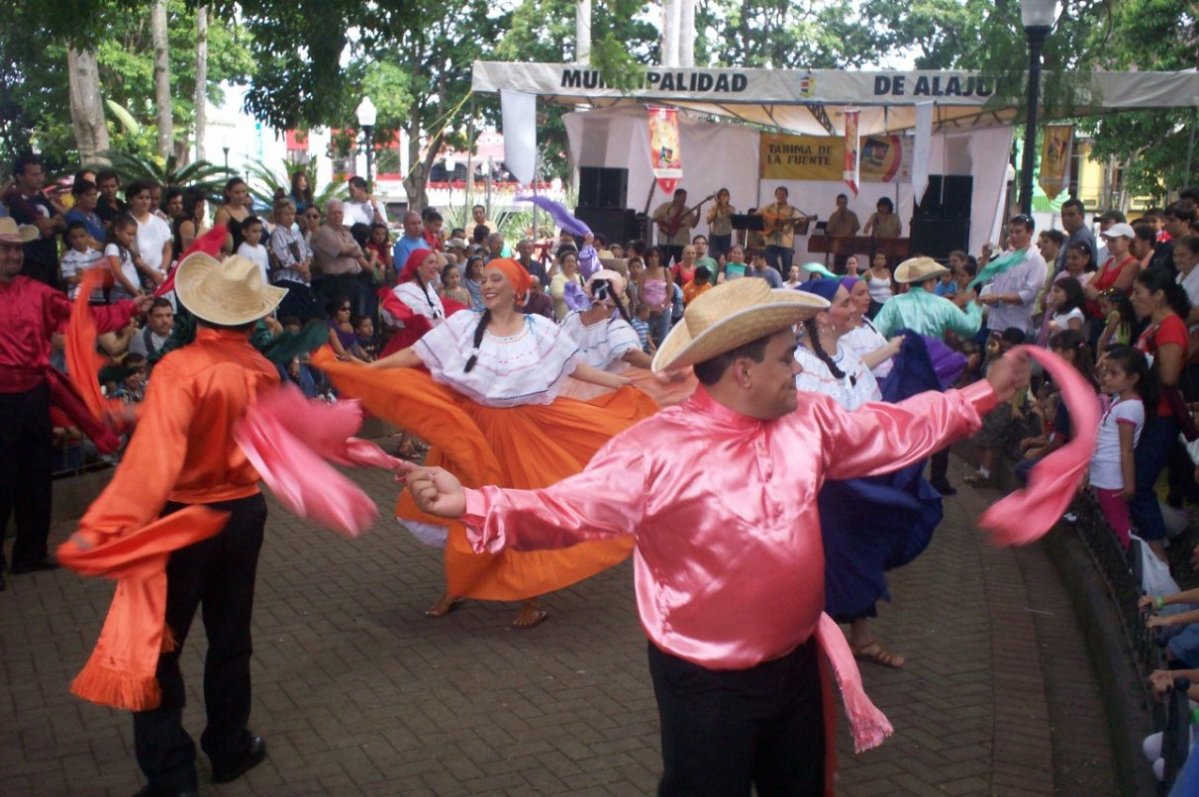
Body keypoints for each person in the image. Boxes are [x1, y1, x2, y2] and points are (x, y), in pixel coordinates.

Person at [402, 277, 1029, 796]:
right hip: (704, 683)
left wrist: (983, 393)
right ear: (744, 371)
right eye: (788, 359)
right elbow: (571, 509)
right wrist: (476, 502)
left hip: (796, 666)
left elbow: (893, 430)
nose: (799, 372)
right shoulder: (657, 449)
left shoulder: (809, 421)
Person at [315, 259, 653, 629]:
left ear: (517, 288)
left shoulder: (539, 329)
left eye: (496, 279)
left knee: (521, 513)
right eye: (484, 279)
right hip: (472, 433)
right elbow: (417, 353)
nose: (487, 285)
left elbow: (574, 366)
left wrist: (618, 384)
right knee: (460, 510)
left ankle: (530, 597)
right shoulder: (463, 325)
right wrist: (369, 370)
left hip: (524, 432)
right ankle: (457, 587)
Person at [64, 252, 285, 796]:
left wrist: (104, 525)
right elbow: (231, 423)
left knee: (159, 645)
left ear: (198, 311)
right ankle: (229, 748)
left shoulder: (178, 368)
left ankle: (173, 777)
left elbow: (161, 454)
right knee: (231, 638)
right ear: (251, 318)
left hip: (181, 520)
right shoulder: (264, 370)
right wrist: (139, 414)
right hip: (242, 514)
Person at [0, 217, 147, 590]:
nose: (13, 255)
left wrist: (129, 309)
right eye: (6, 248)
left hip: (33, 394)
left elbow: (82, 316)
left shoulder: (37, 291)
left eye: (17, 248)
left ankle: (30, 554)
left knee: (35, 475)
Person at [1130, 267, 1191, 561]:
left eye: (1139, 293)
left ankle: (1159, 557)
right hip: (1149, 414)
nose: (1133, 298)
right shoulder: (1153, 324)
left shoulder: (1170, 326)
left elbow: (1167, 377)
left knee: (1139, 485)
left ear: (1158, 296)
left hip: (1161, 417)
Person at [1090, 345, 1151, 551]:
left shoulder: (1129, 407)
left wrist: (1129, 485)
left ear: (1133, 378)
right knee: (1113, 523)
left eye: (1114, 373)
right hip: (1106, 473)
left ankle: (1130, 568)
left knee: (1119, 526)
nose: (1106, 378)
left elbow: (1126, 450)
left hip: (1112, 477)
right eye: (1106, 372)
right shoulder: (1120, 402)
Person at [976, 213, 1048, 337]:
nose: (1014, 236)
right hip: (995, 323)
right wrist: (985, 258)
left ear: (1030, 233)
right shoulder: (1005, 256)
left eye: (1018, 232)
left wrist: (998, 297)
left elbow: (1028, 295)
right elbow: (985, 278)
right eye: (1011, 232)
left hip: (1017, 326)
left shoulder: (1036, 260)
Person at [2, 152, 64, 287]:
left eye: (41, 174)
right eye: (34, 175)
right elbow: (45, 229)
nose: (40, 178)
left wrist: (51, 222)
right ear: (20, 177)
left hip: (50, 262)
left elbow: (64, 223)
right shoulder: (13, 201)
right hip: (27, 264)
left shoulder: (45, 198)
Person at [310, 199, 370, 315]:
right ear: (326, 215)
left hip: (354, 280)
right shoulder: (324, 232)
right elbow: (343, 250)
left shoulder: (346, 232)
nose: (337, 216)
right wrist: (351, 248)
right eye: (334, 213)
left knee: (360, 315)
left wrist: (351, 248)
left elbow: (359, 251)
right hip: (337, 282)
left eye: (340, 213)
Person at [268, 198, 319, 322]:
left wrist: (306, 265)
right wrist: (302, 270)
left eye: (292, 214)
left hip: (301, 281)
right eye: (286, 214)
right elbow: (285, 258)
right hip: (287, 280)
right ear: (279, 216)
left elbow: (307, 251)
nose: (290, 217)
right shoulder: (277, 233)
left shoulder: (296, 233)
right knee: (291, 318)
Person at [60, 221, 106, 303]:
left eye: (82, 236)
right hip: (77, 299)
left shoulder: (98, 255)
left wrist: (82, 273)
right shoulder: (68, 258)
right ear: (69, 239)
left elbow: (104, 275)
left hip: (96, 298)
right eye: (74, 237)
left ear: (88, 236)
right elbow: (71, 280)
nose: (79, 240)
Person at [759, 186, 800, 275]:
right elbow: (757, 214)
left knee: (787, 267)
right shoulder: (770, 207)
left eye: (783, 194)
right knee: (770, 262)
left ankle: (784, 283)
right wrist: (768, 221)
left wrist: (794, 221)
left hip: (786, 241)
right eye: (778, 194)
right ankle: (778, 277)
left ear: (787, 195)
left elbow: (797, 222)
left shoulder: (792, 209)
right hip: (771, 240)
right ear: (775, 195)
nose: (780, 196)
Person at [653, 188, 697, 265]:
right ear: (676, 196)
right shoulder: (665, 207)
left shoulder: (687, 210)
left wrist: (699, 213)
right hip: (665, 242)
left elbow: (694, 225)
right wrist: (667, 223)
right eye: (682, 197)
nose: (684, 199)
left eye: (685, 197)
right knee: (662, 264)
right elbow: (654, 218)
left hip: (681, 243)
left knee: (681, 266)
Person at [212, 177, 252, 251]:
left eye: (243, 192)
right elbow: (217, 239)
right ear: (228, 193)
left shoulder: (245, 210)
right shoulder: (223, 213)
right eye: (237, 192)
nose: (241, 196)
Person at [1057, 198, 1096, 273]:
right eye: (1063, 215)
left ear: (1082, 216)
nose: (1066, 218)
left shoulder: (1083, 237)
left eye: (1071, 214)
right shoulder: (1070, 236)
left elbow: (1077, 270)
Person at [64, 178, 105, 248]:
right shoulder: (74, 217)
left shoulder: (94, 216)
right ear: (77, 197)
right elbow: (90, 243)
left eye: (95, 194)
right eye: (89, 195)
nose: (94, 198)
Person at [826, 193, 861, 272]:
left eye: (844, 202)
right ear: (837, 203)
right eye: (840, 203)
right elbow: (829, 230)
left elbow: (856, 227)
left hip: (849, 245)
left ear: (846, 203)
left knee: (850, 267)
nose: (842, 205)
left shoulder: (852, 215)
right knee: (838, 268)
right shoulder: (834, 216)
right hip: (838, 247)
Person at [549, 248, 586, 321]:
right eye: (568, 261)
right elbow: (556, 295)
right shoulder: (556, 278)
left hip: (580, 319)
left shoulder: (581, 278)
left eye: (573, 261)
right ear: (562, 264)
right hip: (563, 320)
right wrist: (573, 290)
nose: (571, 264)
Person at [236, 216, 270, 285]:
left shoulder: (262, 249)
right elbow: (242, 272)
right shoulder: (243, 249)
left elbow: (265, 269)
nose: (258, 235)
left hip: (263, 285)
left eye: (260, 231)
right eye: (254, 231)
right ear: (244, 232)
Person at [703, 188, 734, 261]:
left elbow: (731, 215)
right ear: (719, 196)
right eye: (722, 195)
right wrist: (717, 205)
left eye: (726, 195)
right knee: (713, 256)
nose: (724, 197)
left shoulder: (731, 208)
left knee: (725, 256)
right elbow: (709, 220)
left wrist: (724, 205)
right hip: (715, 235)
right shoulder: (713, 208)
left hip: (726, 235)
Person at [865, 251, 893, 317]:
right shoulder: (869, 272)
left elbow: (891, 286)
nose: (880, 261)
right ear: (874, 261)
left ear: (885, 261)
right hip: (875, 302)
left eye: (882, 258)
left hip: (888, 301)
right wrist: (868, 295)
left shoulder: (887, 271)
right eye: (877, 258)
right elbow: (860, 282)